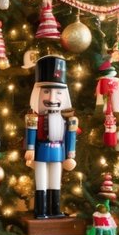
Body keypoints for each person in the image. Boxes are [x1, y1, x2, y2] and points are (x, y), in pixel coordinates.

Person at [24, 54, 78, 219]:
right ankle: (41, 210)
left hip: (59, 152)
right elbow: (31, 133)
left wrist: (70, 154)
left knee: (55, 180)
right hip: (40, 151)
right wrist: (30, 149)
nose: (52, 98)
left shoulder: (68, 120)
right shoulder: (34, 118)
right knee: (41, 181)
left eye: (58, 93)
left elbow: (70, 137)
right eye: (46, 91)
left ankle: (54, 209)